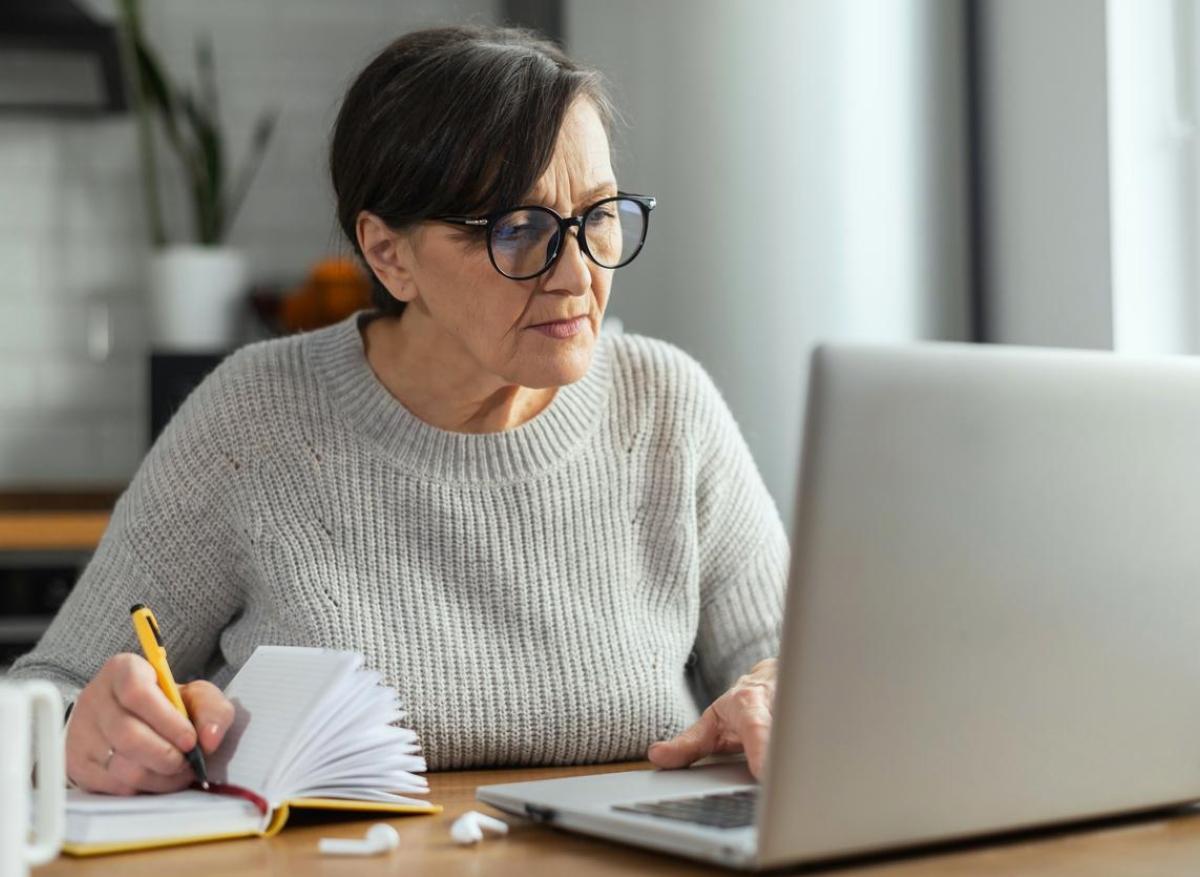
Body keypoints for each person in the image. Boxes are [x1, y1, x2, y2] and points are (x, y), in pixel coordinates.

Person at [7, 25, 787, 795]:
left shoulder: (666, 407)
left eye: (599, 214)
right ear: (389, 254)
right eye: (520, 230)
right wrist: (88, 729)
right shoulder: (254, 421)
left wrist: (777, 689)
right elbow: (45, 694)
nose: (577, 275)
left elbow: (799, 661)